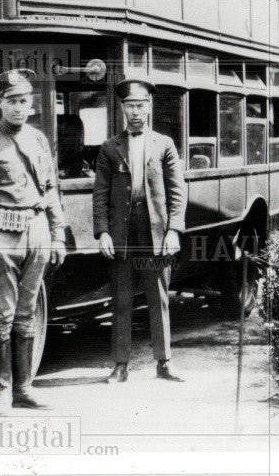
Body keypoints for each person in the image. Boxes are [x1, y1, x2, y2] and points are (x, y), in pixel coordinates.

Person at [0, 69, 67, 413]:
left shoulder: (38, 139)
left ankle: (24, 387)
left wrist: (57, 234)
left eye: (25, 101)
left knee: (27, 309)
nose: (20, 108)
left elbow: (50, 191)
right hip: (2, 232)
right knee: (2, 313)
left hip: (36, 230)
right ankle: (3, 388)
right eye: (13, 101)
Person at [93, 78, 187, 383]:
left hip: (155, 232)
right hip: (122, 233)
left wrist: (173, 230)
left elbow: (176, 191)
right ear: (122, 108)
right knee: (121, 298)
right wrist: (103, 233)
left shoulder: (164, 144)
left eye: (141, 105)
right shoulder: (109, 148)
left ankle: (164, 362)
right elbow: (100, 194)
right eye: (130, 105)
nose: (136, 112)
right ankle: (120, 366)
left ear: (149, 107)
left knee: (158, 295)